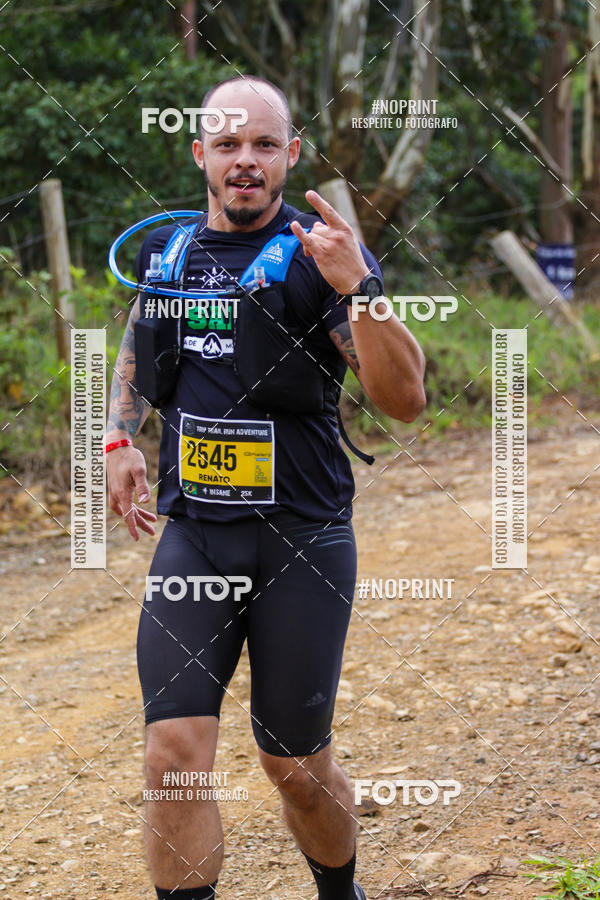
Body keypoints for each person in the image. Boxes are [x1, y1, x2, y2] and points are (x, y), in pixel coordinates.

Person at [105, 75, 426, 900]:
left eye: (261, 145)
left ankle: (338, 892)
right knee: (171, 754)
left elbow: (404, 402)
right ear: (199, 153)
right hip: (195, 535)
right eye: (226, 144)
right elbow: (137, 350)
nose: (244, 161)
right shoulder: (167, 253)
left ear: (289, 154)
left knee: (294, 764)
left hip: (303, 539)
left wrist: (361, 287)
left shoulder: (322, 253)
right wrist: (116, 437)